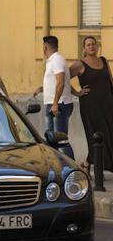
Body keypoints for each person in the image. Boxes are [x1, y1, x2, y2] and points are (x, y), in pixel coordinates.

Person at [70, 36, 113, 173]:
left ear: (97, 46)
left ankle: (88, 163)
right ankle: (100, 169)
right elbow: (63, 78)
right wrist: (77, 93)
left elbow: (110, 80)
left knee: (109, 133)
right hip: (90, 106)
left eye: (93, 44)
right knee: (95, 135)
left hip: (107, 104)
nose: (91, 47)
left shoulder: (104, 61)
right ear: (84, 48)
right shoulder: (79, 64)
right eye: (88, 45)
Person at [33, 36, 75, 158]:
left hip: (58, 105)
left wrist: (55, 103)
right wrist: (42, 89)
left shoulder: (56, 60)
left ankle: (72, 168)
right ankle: (55, 164)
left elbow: (61, 82)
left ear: (45, 47)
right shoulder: (53, 60)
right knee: (50, 138)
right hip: (54, 103)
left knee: (60, 139)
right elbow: (60, 82)